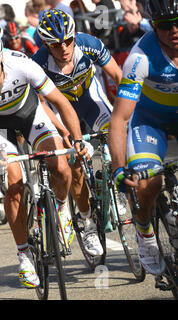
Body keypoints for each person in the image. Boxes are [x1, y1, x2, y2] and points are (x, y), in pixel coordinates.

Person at [0, 21, 86, 288]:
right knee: (14, 185)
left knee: (60, 166)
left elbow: (60, 102)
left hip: (30, 114)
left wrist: (75, 138)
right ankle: (24, 256)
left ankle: (61, 210)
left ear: (1, 59)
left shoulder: (21, 63)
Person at [32, 9, 123, 256]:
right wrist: (64, 132)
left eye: (68, 40)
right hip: (60, 111)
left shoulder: (89, 44)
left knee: (117, 134)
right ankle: (88, 223)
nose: (63, 48)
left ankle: (119, 183)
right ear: (46, 44)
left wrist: (128, 112)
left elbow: (117, 76)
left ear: (74, 36)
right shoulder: (38, 62)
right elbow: (41, 104)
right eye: (55, 44)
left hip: (90, 100)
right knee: (75, 163)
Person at [108, 0, 178, 275]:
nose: (173, 30)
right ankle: (145, 233)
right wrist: (117, 168)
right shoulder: (140, 57)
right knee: (148, 181)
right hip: (149, 122)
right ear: (152, 24)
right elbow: (120, 119)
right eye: (164, 25)